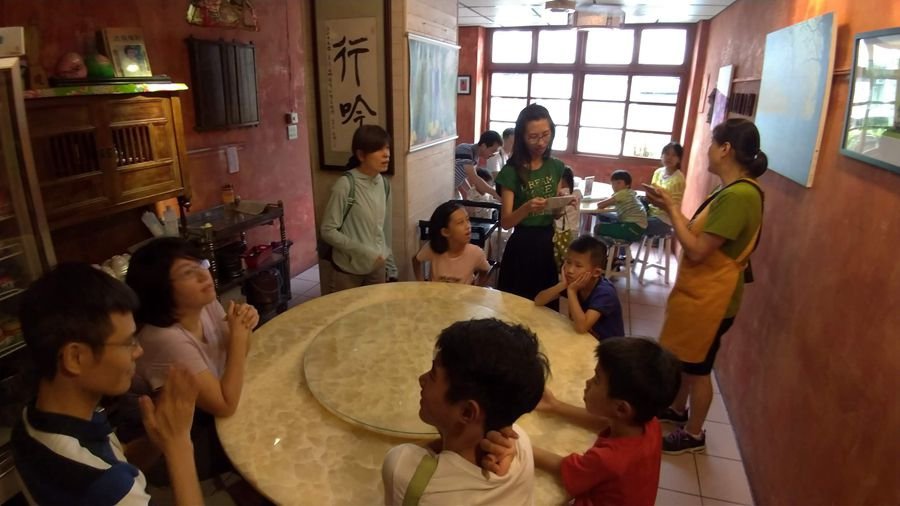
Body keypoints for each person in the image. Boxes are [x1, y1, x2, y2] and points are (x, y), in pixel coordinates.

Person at [12, 263, 203, 505]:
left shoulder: (31, 421)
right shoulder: (102, 485)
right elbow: (113, 483)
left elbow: (120, 460)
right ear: (75, 358)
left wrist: (161, 437)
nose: (139, 350)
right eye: (127, 342)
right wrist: (179, 446)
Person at [643, 118, 767, 454]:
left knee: (699, 368)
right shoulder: (728, 190)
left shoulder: (739, 196)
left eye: (713, 144)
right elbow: (697, 233)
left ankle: (694, 433)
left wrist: (670, 207)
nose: (708, 151)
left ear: (725, 149)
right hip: (702, 294)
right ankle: (677, 409)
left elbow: (697, 251)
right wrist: (669, 207)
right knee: (688, 359)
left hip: (714, 300)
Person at [483, 337, 681, 506]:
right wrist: (556, 406)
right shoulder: (650, 424)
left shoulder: (608, 460)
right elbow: (605, 421)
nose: (588, 382)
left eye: (596, 379)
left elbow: (566, 467)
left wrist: (518, 444)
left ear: (621, 408)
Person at [381, 319, 549, 505]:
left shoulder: (405, 471)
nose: (422, 380)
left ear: (468, 413)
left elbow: (412, 456)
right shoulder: (521, 444)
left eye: (432, 374)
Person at [126, 237, 258, 418]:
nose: (205, 275)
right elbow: (225, 406)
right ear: (160, 289)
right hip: (177, 431)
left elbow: (239, 354)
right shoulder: (163, 338)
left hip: (208, 409)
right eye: (188, 272)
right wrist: (239, 335)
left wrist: (244, 324)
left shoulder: (204, 304)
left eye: (201, 265)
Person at [495, 104, 568, 305]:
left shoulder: (556, 166)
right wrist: (527, 207)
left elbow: (553, 214)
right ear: (521, 137)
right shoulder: (511, 172)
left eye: (546, 134)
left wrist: (561, 203)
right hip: (522, 245)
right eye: (533, 137)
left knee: (545, 307)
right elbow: (507, 222)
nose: (541, 142)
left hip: (547, 243)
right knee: (516, 305)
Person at [320, 124, 398, 292]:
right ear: (361, 155)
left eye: (387, 148)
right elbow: (328, 230)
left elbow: (385, 229)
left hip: (377, 267)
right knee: (348, 316)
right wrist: (365, 252)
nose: (387, 154)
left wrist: (390, 264)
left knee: (376, 315)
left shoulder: (384, 184)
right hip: (348, 269)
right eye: (379, 149)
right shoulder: (346, 184)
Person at [535, 235, 624, 341]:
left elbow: (582, 327)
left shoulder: (605, 292)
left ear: (596, 272)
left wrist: (572, 291)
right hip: (585, 340)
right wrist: (562, 285)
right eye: (568, 262)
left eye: (578, 266)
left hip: (607, 349)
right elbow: (539, 300)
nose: (570, 270)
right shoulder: (573, 282)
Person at [413, 201, 490, 285]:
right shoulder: (433, 248)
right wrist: (421, 283)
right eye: (460, 222)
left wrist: (477, 288)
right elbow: (416, 260)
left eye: (467, 220)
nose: (468, 226)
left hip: (463, 298)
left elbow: (485, 271)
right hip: (436, 296)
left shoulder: (476, 253)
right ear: (445, 232)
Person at [593, 170, 648, 243]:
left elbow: (600, 205)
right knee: (605, 217)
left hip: (632, 228)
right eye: (613, 183)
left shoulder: (622, 193)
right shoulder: (630, 192)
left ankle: (602, 247)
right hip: (638, 228)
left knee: (598, 228)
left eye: (618, 183)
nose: (615, 186)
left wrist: (604, 201)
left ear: (627, 185)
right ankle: (615, 247)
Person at [647, 142, 686, 232]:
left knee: (635, 224)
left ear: (679, 159)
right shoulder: (658, 172)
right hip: (651, 212)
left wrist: (657, 200)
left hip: (665, 220)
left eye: (674, 155)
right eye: (667, 154)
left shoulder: (678, 179)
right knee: (629, 215)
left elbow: (673, 206)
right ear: (662, 156)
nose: (669, 157)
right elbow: (652, 192)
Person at [455, 131, 502, 199]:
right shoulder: (465, 150)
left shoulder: (475, 156)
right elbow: (475, 178)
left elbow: (462, 176)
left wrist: (470, 192)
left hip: (452, 187)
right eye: (492, 151)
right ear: (483, 146)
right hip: (443, 186)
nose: (493, 155)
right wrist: (495, 193)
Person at [552, 166, 582, 269]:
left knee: (558, 255)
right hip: (573, 230)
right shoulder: (577, 192)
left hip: (560, 231)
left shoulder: (560, 194)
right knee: (569, 257)